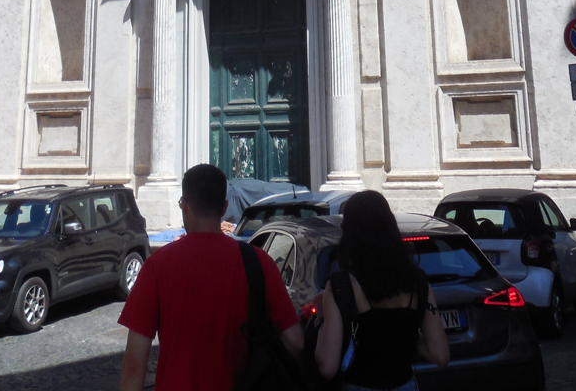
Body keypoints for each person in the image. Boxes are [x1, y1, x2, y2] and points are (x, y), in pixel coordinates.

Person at [119, 164, 304, 391]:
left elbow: (133, 366)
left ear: (184, 206)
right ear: (224, 207)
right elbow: (295, 342)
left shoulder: (157, 266)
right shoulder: (259, 262)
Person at [315, 190, 450, 391]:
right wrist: (402, 331)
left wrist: (321, 319)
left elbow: (327, 366)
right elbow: (440, 356)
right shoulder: (417, 282)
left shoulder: (341, 286)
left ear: (350, 234)